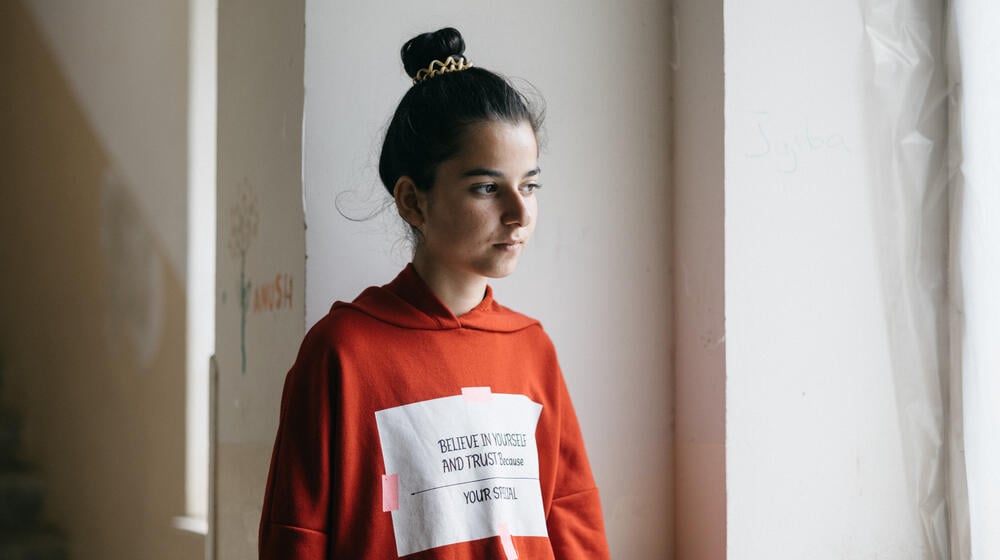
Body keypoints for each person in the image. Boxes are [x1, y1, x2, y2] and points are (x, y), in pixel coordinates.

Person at [259, 27, 610, 559]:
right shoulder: (343, 353)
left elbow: (573, 522)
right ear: (412, 200)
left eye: (530, 185)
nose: (519, 212)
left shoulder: (531, 349)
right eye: (487, 188)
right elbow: (297, 537)